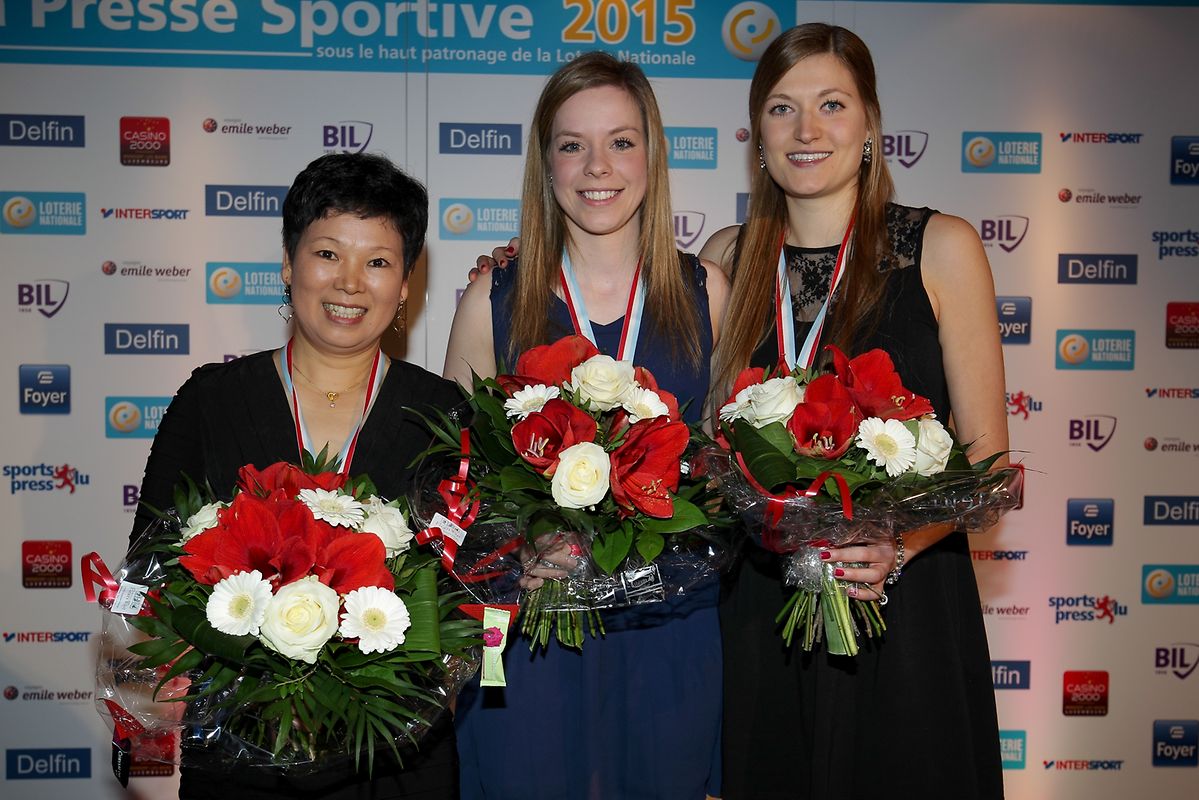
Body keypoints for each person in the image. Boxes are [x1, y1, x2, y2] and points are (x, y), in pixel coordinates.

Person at [703, 24, 1008, 800]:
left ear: (869, 125)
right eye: (781, 109)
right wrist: (506, 270)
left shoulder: (940, 247)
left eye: (830, 105)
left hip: (902, 613)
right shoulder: (724, 261)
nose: (806, 131)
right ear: (757, 135)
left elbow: (993, 470)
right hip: (762, 615)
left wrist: (897, 544)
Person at [129, 152, 464, 800]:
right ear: (288, 264)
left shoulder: (443, 413)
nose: (349, 282)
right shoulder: (210, 400)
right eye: (327, 253)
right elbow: (148, 565)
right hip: (241, 751)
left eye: (377, 261)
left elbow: (467, 580)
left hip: (393, 754)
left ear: (404, 287)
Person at [443, 51, 729, 800]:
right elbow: (449, 481)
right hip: (532, 625)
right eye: (572, 144)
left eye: (620, 141)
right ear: (546, 163)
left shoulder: (708, 294)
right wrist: (520, 540)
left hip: (666, 631)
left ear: (651, 154)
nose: (597, 166)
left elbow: (732, 479)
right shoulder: (491, 300)